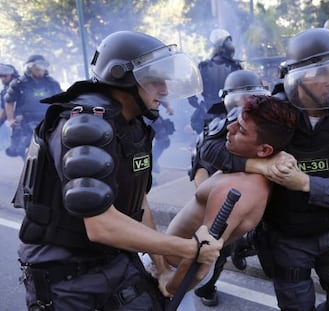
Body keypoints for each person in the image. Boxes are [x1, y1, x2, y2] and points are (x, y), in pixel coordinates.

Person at [14, 30, 223, 311]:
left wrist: (162, 269)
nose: (164, 89)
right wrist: (186, 248)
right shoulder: (84, 124)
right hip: (65, 273)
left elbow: (138, 203)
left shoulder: (133, 124)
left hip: (114, 259)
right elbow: (100, 225)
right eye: (154, 80)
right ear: (121, 76)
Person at [201, 28, 329, 311]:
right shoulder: (271, 110)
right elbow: (209, 148)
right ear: (297, 77)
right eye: (322, 73)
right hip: (286, 237)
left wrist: (305, 183)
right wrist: (259, 163)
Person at [158, 94, 297, 309]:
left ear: (264, 150)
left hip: (175, 270)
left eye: (241, 130)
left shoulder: (236, 190)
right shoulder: (254, 168)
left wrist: (169, 286)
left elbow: (200, 260)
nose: (229, 128)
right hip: (172, 264)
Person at [187, 69, 271, 306]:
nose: (244, 108)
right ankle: (207, 287)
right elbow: (199, 172)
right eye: (239, 101)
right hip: (223, 203)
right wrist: (210, 209)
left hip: (256, 200)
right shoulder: (213, 131)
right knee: (216, 253)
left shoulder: (265, 128)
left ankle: (243, 247)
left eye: (251, 100)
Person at [4, 54, 62, 159]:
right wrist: (11, 119)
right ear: (30, 68)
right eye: (37, 68)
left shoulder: (52, 83)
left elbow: (61, 100)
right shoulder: (18, 83)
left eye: (42, 68)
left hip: (47, 119)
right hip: (24, 121)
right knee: (23, 147)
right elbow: (9, 102)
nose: (40, 71)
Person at [188, 28, 242, 135]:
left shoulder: (203, 66)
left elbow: (191, 96)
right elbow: (191, 94)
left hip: (217, 111)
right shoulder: (235, 66)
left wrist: (201, 106)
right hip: (227, 112)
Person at [145, 101, 175, 175]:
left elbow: (160, 95)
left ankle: (153, 160)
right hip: (139, 115)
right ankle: (147, 173)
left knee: (164, 141)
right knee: (141, 145)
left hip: (152, 113)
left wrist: (167, 106)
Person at [0, 63, 19, 149]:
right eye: (1, 76)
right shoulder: (5, 91)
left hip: (24, 120)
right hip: (17, 123)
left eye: (5, 76)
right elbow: (5, 110)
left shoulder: (22, 85)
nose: (2, 79)